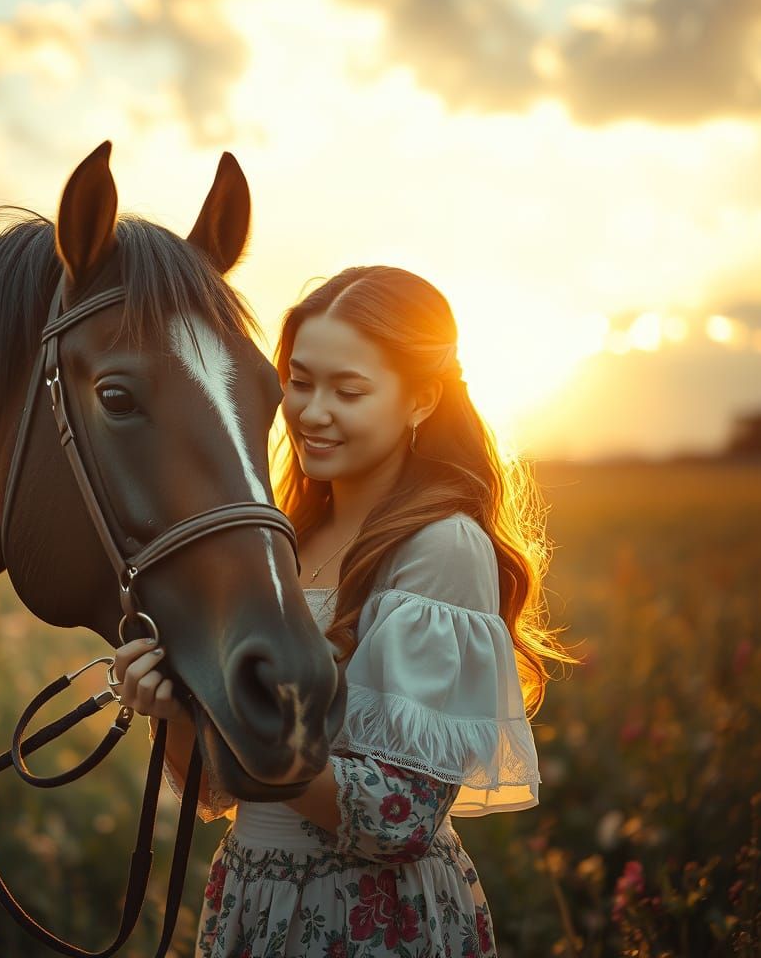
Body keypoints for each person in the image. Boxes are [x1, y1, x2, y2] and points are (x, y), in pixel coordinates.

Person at [112, 266, 575, 957]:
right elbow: (216, 791)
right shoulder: (275, 542)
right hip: (251, 897)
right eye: (299, 382)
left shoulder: (440, 547)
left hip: (369, 916)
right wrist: (173, 712)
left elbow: (403, 818)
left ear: (420, 399)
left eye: (349, 390)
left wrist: (250, 726)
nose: (313, 411)